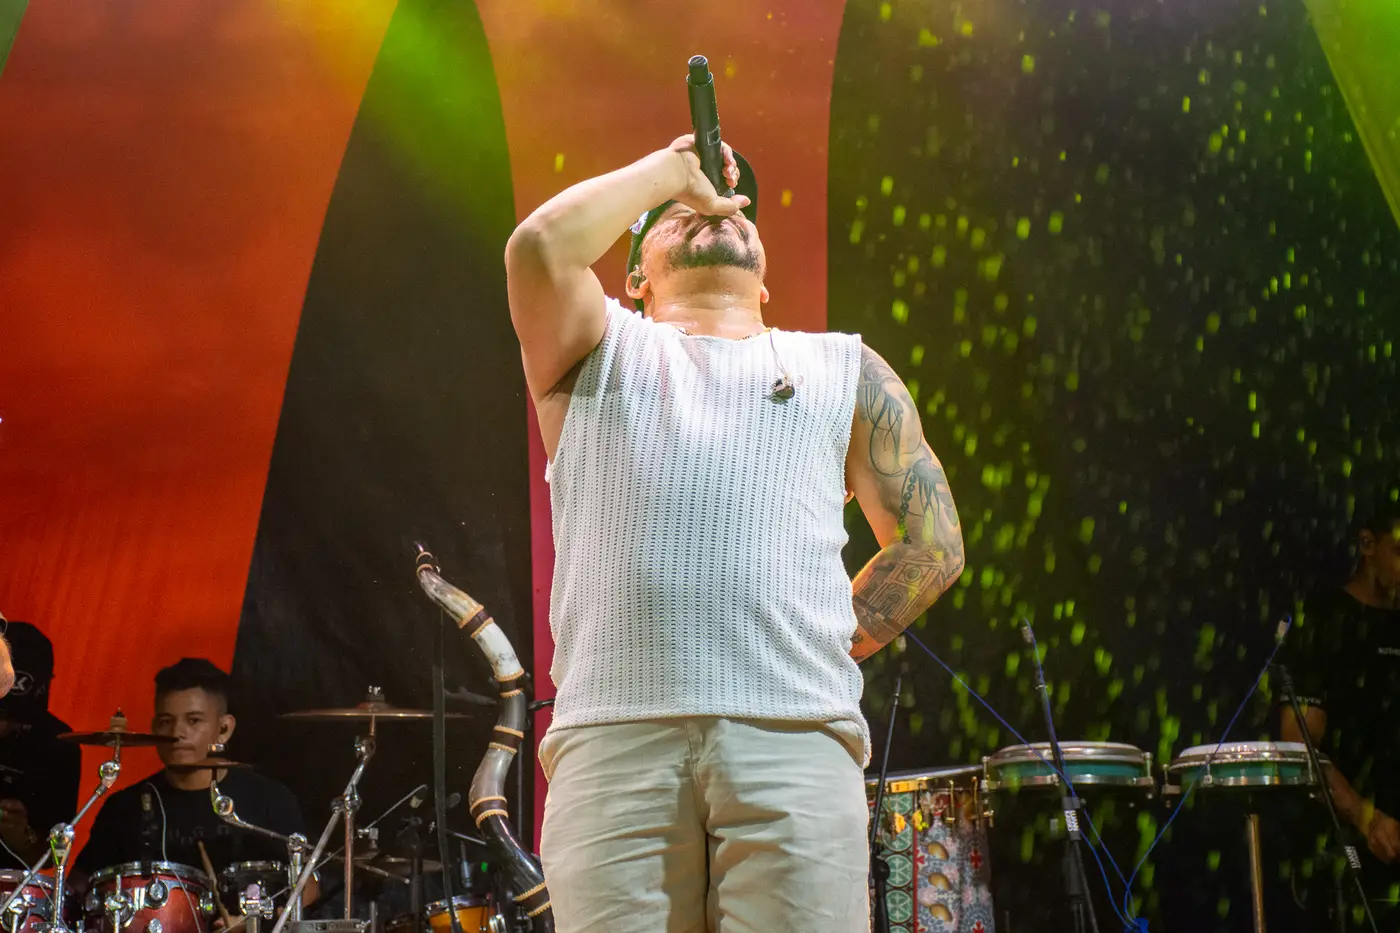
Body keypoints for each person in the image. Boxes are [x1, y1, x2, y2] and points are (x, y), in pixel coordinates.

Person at [505, 133, 965, 931]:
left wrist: (805, 641)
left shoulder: (843, 368)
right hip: (615, 742)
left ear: (765, 277)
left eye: (731, 205)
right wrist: (668, 171)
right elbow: (539, 247)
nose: (713, 207)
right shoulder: (593, 346)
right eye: (677, 210)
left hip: (796, 735)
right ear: (634, 276)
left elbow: (933, 545)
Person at [75, 659, 315, 902]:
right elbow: (80, 885)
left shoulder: (269, 800)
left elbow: (309, 887)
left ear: (224, 728)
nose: (177, 733)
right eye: (166, 721)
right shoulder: (124, 807)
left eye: (193, 720)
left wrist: (260, 919)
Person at [1280, 499, 1400, 919]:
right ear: (1367, 544)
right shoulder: (1325, 620)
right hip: (1349, 851)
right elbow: (1299, 746)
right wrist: (1368, 819)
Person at [0, 621, 81, 867]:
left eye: (17, 720)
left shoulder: (57, 744)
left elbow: (52, 858)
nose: (4, 727)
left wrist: (21, 838)